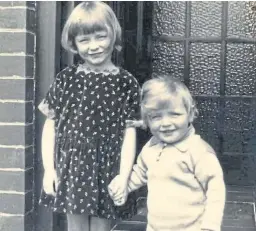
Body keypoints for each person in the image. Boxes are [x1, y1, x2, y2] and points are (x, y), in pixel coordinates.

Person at [38, 2, 141, 231]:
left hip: (109, 170)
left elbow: (129, 133)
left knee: (101, 229)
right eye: (84, 40)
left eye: (100, 37)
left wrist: (124, 176)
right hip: (73, 168)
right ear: (74, 43)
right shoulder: (66, 79)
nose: (93, 46)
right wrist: (49, 170)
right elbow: (50, 127)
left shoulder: (127, 83)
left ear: (113, 35)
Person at [109, 76, 226, 231]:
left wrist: (210, 226)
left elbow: (215, 191)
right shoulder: (151, 147)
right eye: (156, 117)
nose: (165, 123)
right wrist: (123, 186)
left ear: (190, 114)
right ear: (147, 121)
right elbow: (140, 173)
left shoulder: (199, 152)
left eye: (174, 114)